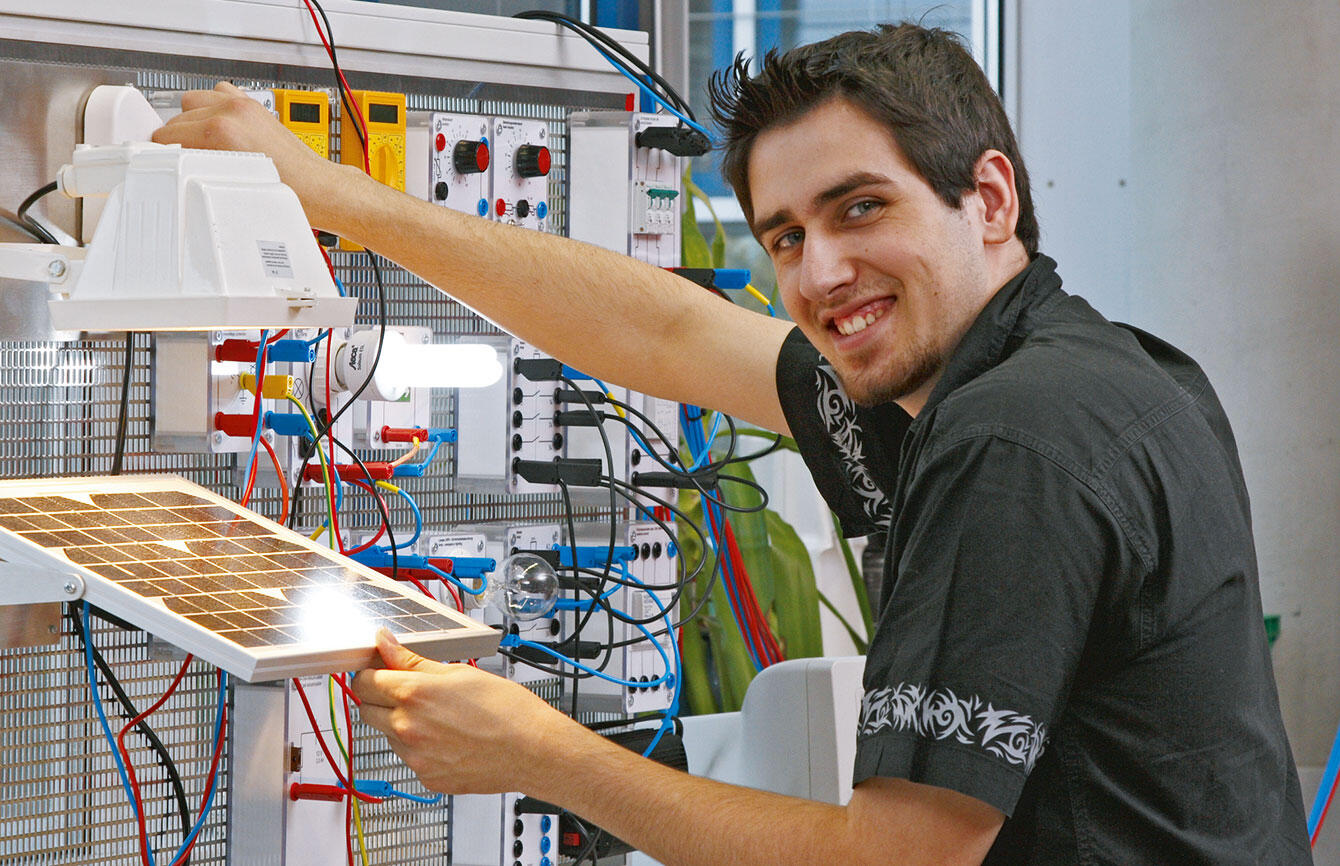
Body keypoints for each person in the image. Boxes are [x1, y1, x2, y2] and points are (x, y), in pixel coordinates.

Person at [154, 23, 1312, 865]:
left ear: (990, 198)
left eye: (861, 208)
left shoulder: (1013, 434)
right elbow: (659, 327)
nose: (818, 274)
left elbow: (897, 860)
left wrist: (542, 754)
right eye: (785, 234)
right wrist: (332, 195)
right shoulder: (1070, 367)